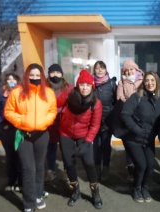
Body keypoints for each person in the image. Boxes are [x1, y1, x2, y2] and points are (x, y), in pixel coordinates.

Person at [4, 63, 57, 212]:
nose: (34, 78)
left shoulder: (48, 92)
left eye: (37, 75)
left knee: (40, 167)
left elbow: (52, 111)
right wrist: (22, 121)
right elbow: (8, 111)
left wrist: (44, 122)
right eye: (31, 75)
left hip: (41, 135)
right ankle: (29, 202)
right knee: (28, 168)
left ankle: (38, 194)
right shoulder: (17, 92)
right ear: (27, 76)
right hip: (23, 135)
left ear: (42, 76)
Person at [57, 69, 103, 209]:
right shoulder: (69, 95)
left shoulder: (96, 103)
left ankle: (95, 192)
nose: (84, 88)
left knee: (89, 163)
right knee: (69, 164)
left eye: (87, 85)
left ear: (92, 86)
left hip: (84, 135)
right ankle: (75, 191)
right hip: (66, 134)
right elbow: (54, 103)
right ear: (78, 85)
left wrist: (88, 142)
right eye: (82, 84)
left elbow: (95, 125)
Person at [121, 71, 160, 203]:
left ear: (157, 82)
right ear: (143, 82)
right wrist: (137, 130)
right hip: (134, 139)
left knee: (150, 165)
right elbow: (125, 114)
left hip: (149, 139)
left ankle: (144, 187)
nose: (150, 83)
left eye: (152, 80)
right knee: (141, 165)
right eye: (147, 80)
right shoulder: (137, 97)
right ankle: (136, 188)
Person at [45, 64, 74, 183]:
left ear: (62, 74)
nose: (55, 75)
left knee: (66, 149)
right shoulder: (44, 88)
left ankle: (67, 172)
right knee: (50, 148)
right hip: (49, 123)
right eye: (52, 72)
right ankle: (50, 171)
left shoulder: (69, 88)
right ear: (49, 74)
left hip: (64, 122)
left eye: (58, 72)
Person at [116, 59, 144, 182]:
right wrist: (129, 104)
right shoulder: (121, 82)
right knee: (129, 144)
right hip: (128, 117)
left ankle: (141, 168)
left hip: (142, 116)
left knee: (141, 142)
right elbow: (119, 97)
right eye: (126, 70)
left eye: (131, 69)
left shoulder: (143, 81)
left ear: (137, 69)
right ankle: (130, 168)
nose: (129, 72)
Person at [0, 73, 22, 192]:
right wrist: (1, 124)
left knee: (21, 157)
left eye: (14, 79)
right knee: (10, 158)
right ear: (5, 81)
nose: (11, 81)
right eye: (9, 79)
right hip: (6, 131)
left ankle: (21, 183)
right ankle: (11, 181)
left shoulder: (22, 93)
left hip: (20, 130)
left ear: (18, 81)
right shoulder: (0, 94)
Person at [92, 61, 116, 181]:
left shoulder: (111, 84)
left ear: (106, 70)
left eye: (102, 68)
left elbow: (115, 102)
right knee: (96, 146)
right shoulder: (91, 84)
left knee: (106, 145)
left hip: (107, 120)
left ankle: (105, 168)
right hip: (94, 120)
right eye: (97, 68)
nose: (99, 70)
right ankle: (96, 168)